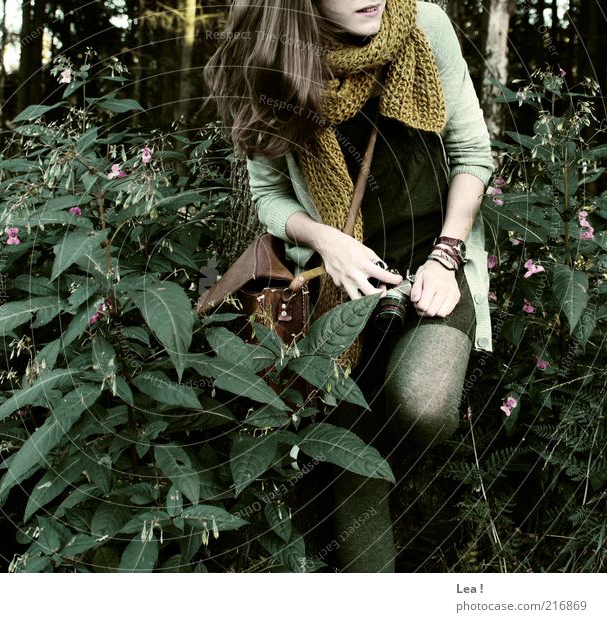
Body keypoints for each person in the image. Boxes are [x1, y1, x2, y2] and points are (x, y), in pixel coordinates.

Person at [204, 0, 494, 571]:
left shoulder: (421, 26)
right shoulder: (274, 57)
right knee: (349, 456)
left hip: (428, 266)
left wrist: (446, 254)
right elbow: (267, 195)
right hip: (335, 288)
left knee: (424, 406)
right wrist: (328, 242)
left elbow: (472, 155)